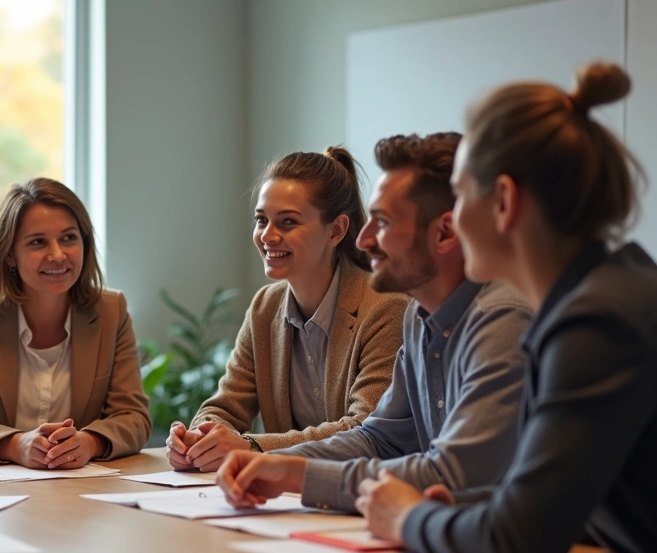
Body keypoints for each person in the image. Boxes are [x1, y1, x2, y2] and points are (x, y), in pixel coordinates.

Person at [355, 62, 657, 553]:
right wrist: (469, 511)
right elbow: (555, 505)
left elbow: (520, 543)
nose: (452, 217)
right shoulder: (603, 294)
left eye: (460, 189)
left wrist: (407, 517)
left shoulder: (595, 321)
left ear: (503, 202)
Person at [215, 132, 531, 512]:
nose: (363, 240)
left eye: (381, 221)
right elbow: (379, 439)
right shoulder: (420, 316)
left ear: (445, 231)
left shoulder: (501, 320)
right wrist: (275, 462)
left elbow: (455, 473)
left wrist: (296, 474)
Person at [168, 147, 409, 471]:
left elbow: (366, 430)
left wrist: (252, 446)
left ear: (336, 230)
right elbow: (227, 406)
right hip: (284, 496)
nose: (267, 235)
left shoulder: (387, 308)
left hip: (359, 495)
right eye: (261, 220)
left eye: (288, 222)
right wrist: (199, 437)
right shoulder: (265, 308)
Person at [0, 178, 151, 467]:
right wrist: (13, 445)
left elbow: (134, 417)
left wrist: (89, 442)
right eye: (38, 242)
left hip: (80, 491)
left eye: (69, 238)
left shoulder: (111, 310)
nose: (57, 255)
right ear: (9, 255)